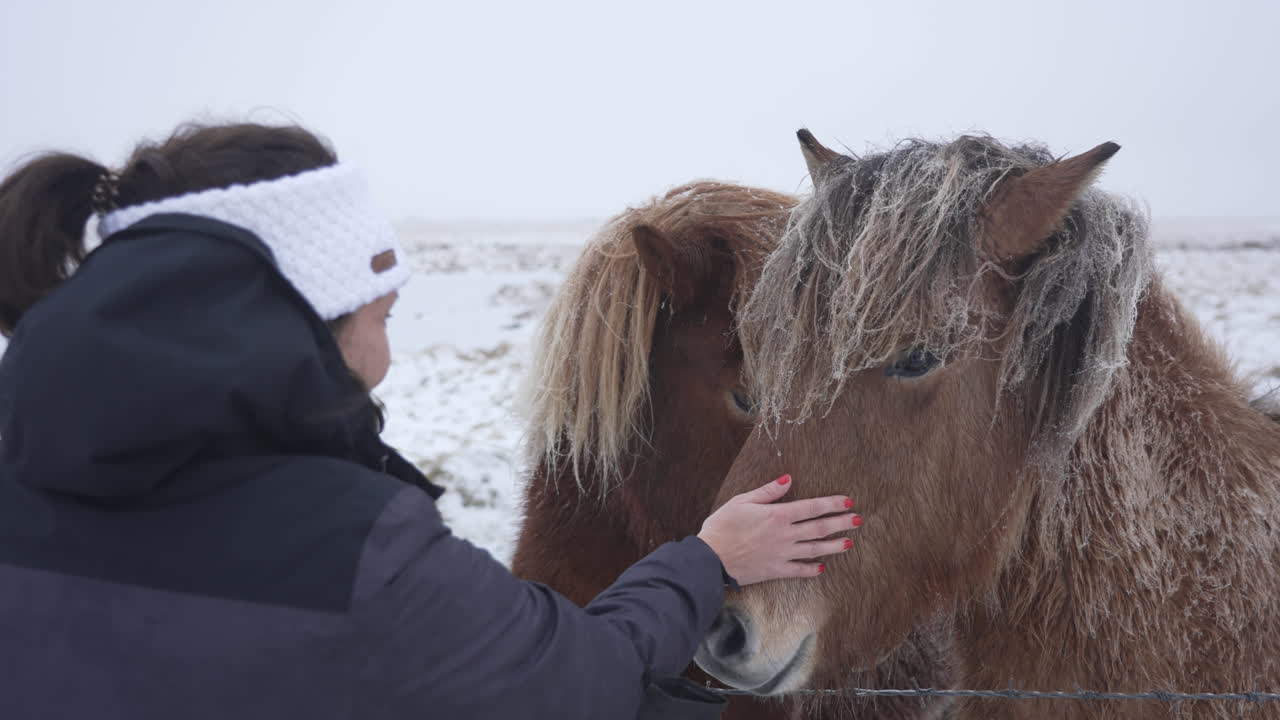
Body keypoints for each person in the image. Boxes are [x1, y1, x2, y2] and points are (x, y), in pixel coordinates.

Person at [0, 123, 859, 720]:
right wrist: (708, 560)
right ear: (298, 309)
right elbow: (568, 686)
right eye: (377, 297)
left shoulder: (26, 479)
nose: (392, 325)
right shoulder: (349, 551)